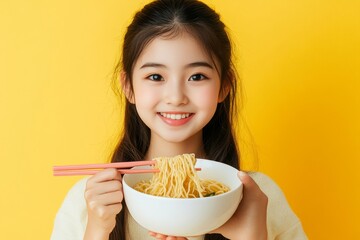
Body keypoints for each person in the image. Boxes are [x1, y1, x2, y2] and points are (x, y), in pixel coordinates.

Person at [51, 0, 307, 239]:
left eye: (197, 77)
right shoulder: (92, 200)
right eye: (155, 77)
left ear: (224, 86)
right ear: (128, 86)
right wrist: (96, 230)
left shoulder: (258, 196)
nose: (176, 97)